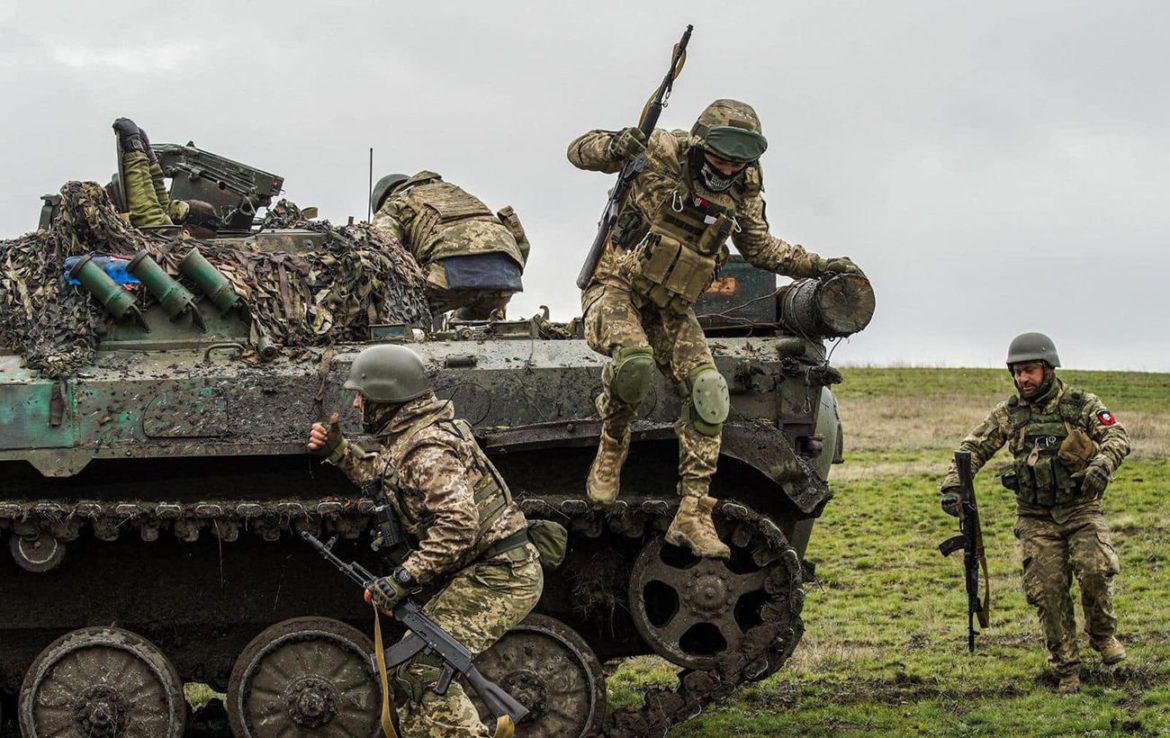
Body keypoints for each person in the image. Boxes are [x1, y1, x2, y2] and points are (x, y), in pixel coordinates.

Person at [567, 99, 863, 558]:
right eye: (719, 156)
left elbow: (760, 247)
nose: (726, 167)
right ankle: (612, 448)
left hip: (672, 305)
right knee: (634, 363)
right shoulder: (664, 149)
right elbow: (578, 150)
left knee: (709, 391)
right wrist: (614, 146)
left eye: (737, 161)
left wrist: (817, 264)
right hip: (615, 288)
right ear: (702, 145)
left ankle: (692, 513)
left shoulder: (743, 185)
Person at [307, 344, 543, 736]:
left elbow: (459, 525)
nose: (354, 405)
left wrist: (402, 579)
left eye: (360, 396)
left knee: (423, 668)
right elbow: (386, 475)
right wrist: (341, 452)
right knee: (408, 671)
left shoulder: (428, 447)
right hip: (487, 572)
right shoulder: (410, 438)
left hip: (502, 576)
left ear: (385, 399)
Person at [939, 332, 1130, 694]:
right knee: (1047, 590)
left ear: (1048, 369)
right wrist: (954, 485)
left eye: (1029, 371)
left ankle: (1103, 636)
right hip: (1035, 517)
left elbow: (1117, 435)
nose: (1021, 379)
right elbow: (972, 448)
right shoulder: (1010, 413)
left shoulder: (1080, 405)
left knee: (1095, 569)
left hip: (1081, 509)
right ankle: (1066, 668)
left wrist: (1103, 464)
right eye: (1016, 372)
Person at [370, 172, 529, 320]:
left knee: (403, 308)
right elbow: (520, 245)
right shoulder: (456, 193)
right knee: (469, 322)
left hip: (451, 271)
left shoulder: (395, 203)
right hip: (507, 274)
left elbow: (380, 245)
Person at [111, 117, 218, 239]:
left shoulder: (175, 243)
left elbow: (147, 215)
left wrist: (134, 152)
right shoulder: (182, 240)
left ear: (186, 233)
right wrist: (152, 165)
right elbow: (162, 210)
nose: (173, 209)